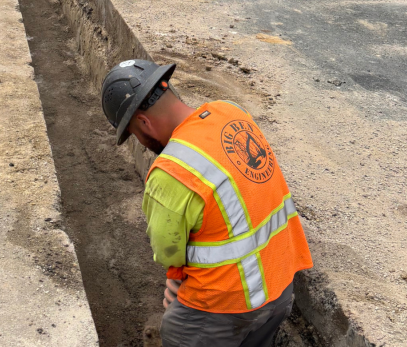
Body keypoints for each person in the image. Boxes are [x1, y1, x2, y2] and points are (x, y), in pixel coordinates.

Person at [101, 60, 313, 347]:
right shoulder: (231, 112)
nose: (141, 142)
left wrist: (176, 282)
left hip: (228, 307)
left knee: (176, 331)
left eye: (136, 135)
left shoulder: (172, 169)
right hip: (280, 290)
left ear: (143, 122)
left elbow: (168, 253)